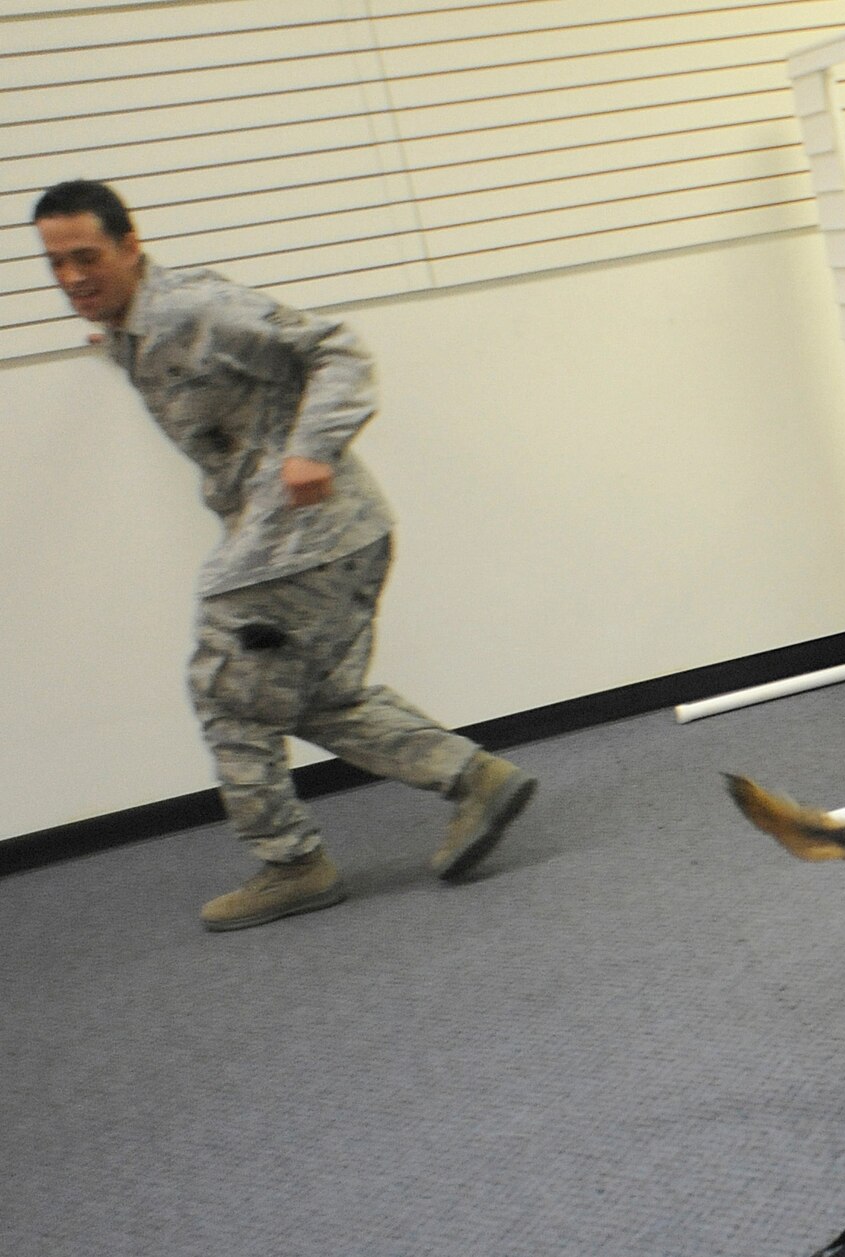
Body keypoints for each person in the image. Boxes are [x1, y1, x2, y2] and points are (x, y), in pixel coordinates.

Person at [34, 179, 538, 931]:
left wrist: (313, 449)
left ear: (130, 246)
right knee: (314, 697)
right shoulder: (134, 329)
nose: (73, 277)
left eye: (87, 257)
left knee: (224, 692)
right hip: (323, 538)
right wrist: (113, 351)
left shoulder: (192, 309)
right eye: (56, 264)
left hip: (298, 539)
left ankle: (292, 864)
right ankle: (475, 779)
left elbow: (337, 349)